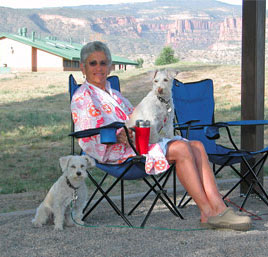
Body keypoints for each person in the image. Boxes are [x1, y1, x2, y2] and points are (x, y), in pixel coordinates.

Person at [71, 41, 251, 231]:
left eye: (103, 63)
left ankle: (218, 207)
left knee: (197, 145)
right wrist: (116, 136)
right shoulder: (82, 97)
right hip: (116, 154)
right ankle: (209, 211)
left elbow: (136, 118)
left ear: (109, 66)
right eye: (93, 63)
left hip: (138, 143)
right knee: (182, 149)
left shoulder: (114, 94)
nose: (99, 68)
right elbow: (85, 136)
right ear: (83, 67)